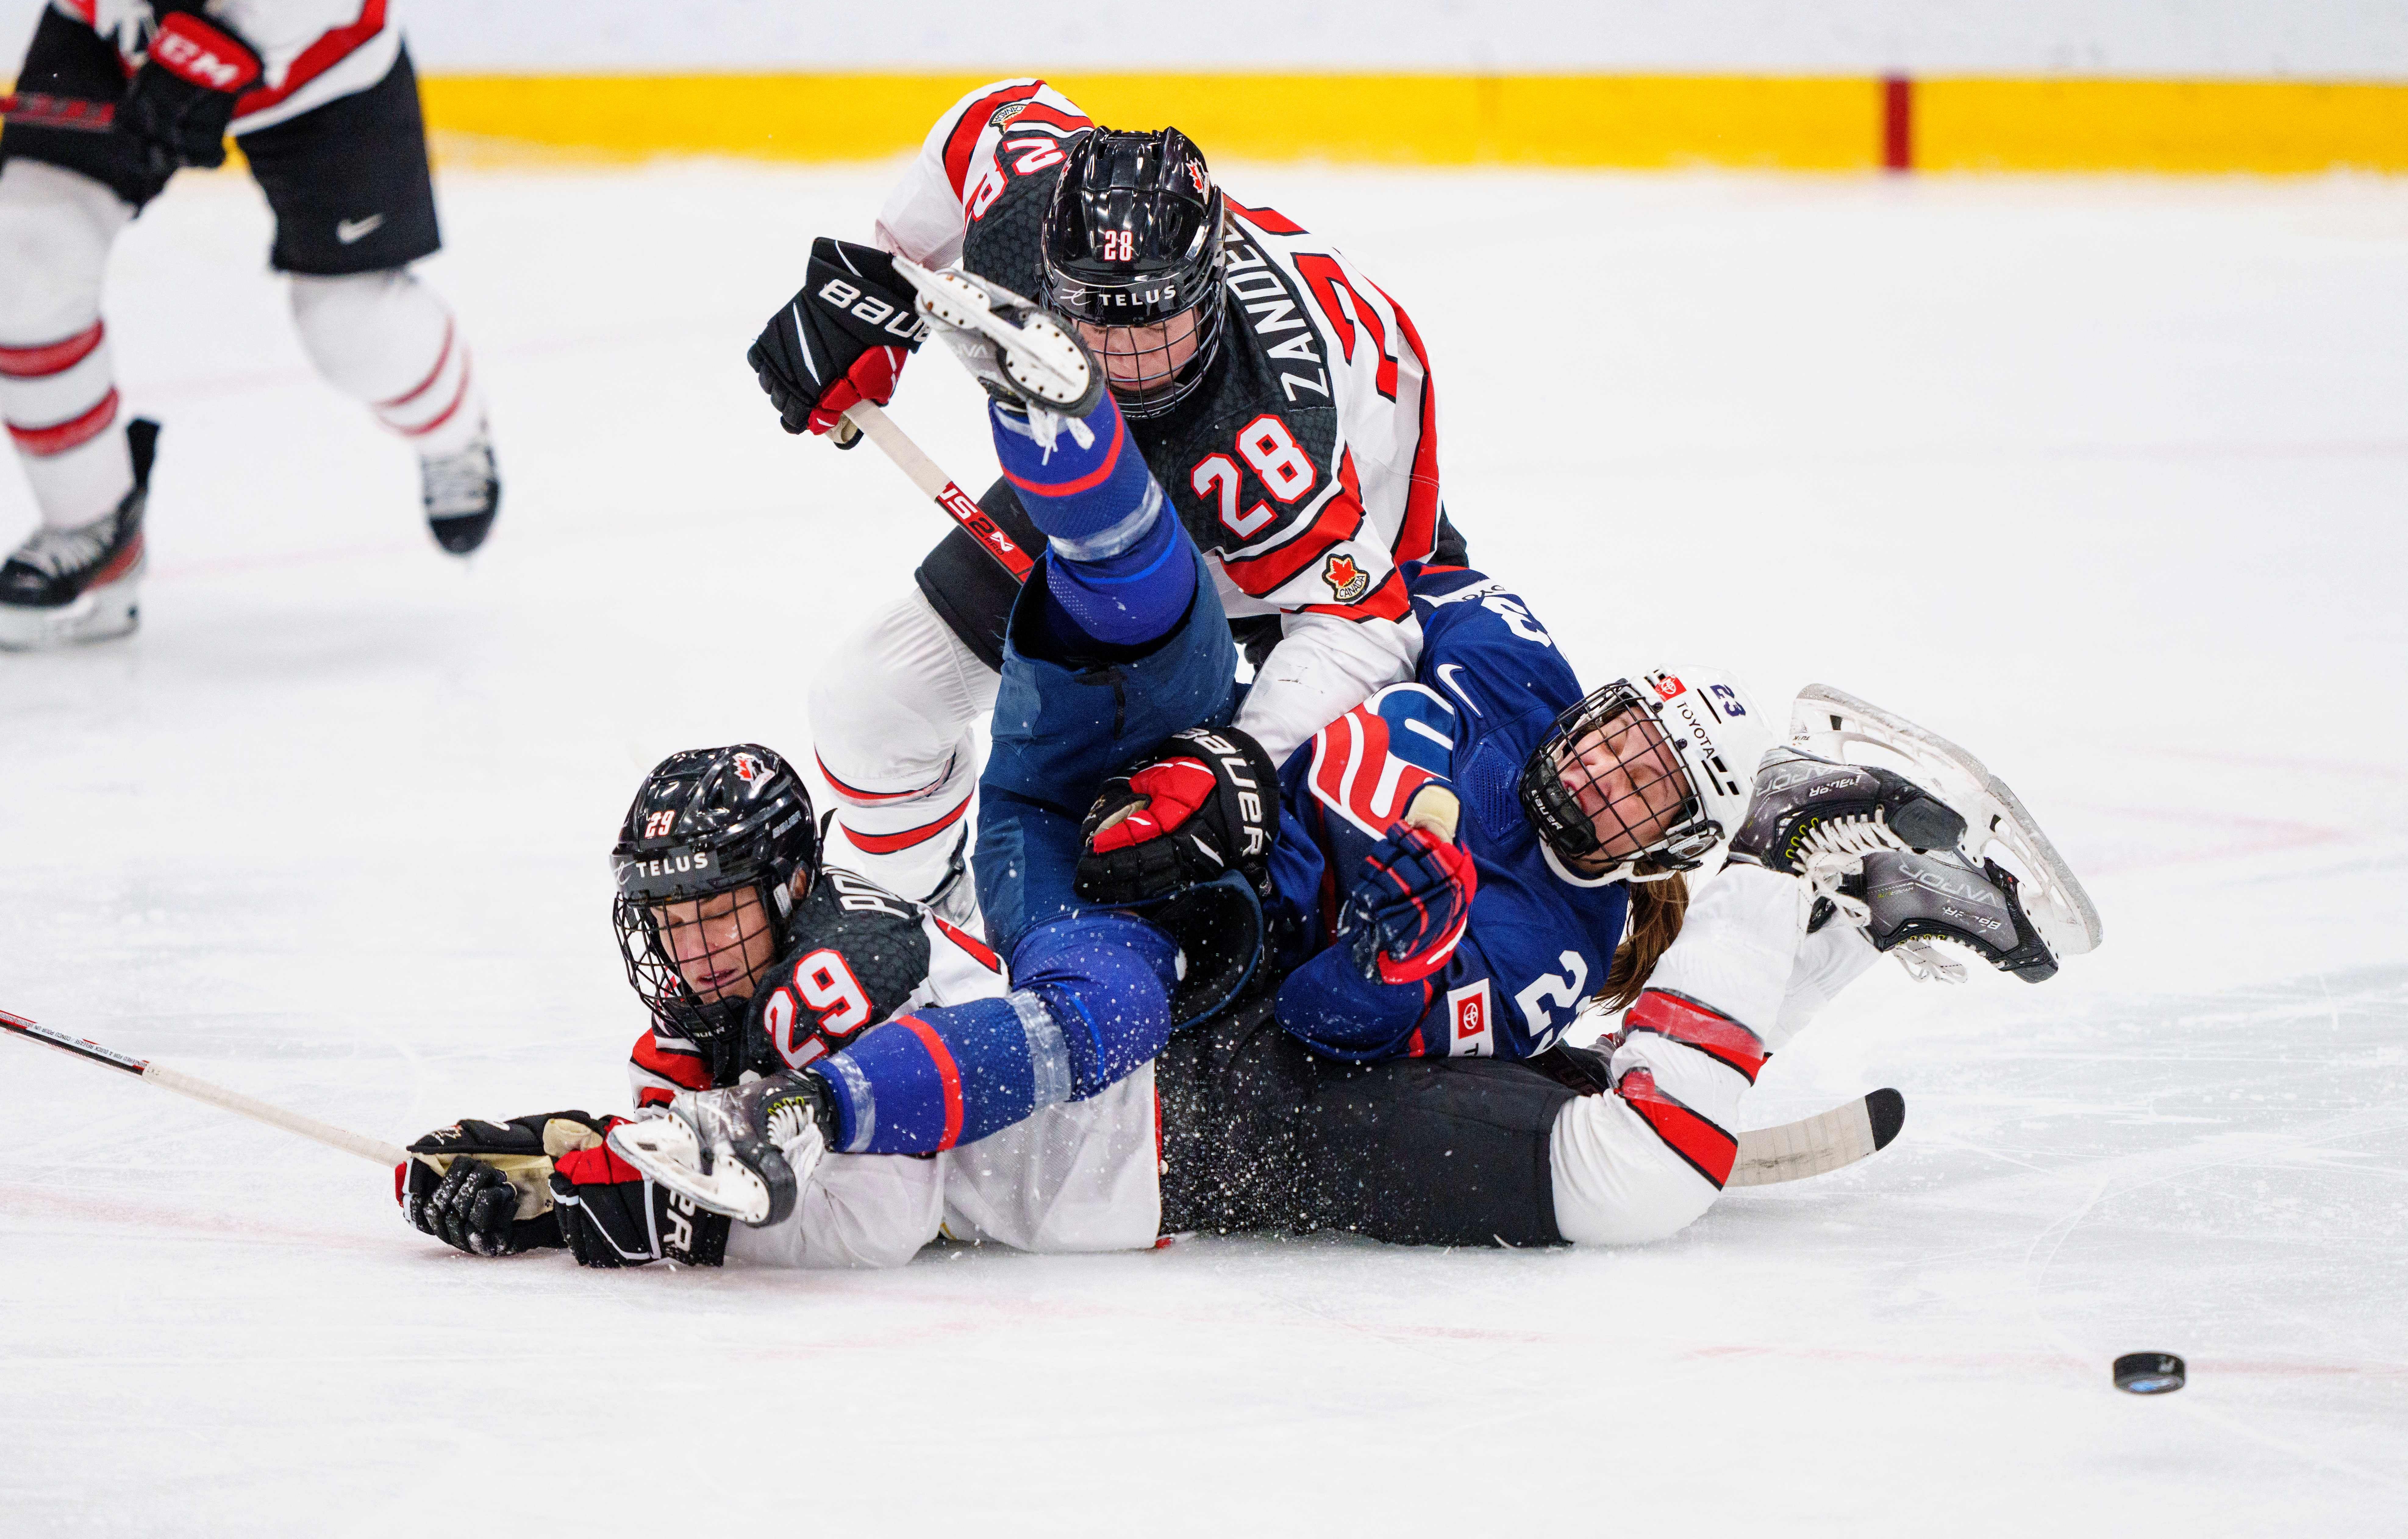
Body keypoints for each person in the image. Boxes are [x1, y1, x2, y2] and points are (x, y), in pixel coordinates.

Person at [581, 283, 2074, 1251]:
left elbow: (1333, 1026)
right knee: (973, 692)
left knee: (1612, 1173)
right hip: (1174, 818)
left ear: (1655, 853)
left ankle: (1807, 886)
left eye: (1639, 795)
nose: (1600, 773)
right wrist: (1250, 743)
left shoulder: (1552, 944)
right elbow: (1375, 575)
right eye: (1619, 737)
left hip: (1210, 990)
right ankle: (1829, 897)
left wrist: (1392, 947)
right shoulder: (1516, 661)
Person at [397, 730, 2048, 1268]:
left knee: (1631, 1181)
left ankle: (1773, 853)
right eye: (669, 921)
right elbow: (743, 1135)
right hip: (1215, 1101)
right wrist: (561, 1162)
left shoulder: (842, 972)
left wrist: (634, 1219)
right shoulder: (782, 991)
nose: (691, 951)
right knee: (1608, 1121)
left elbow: (870, 1210)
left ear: (782, 894)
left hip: (1211, 1129)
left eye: (714, 916)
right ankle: (1854, 914)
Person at [746, 80, 1459, 916]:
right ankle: (933, 934)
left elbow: (1366, 622)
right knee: (872, 704)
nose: (1121, 361)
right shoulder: (1024, 216)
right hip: (1128, 471)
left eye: (1152, 324)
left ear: (1210, 287)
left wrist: (1237, 760)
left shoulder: (1272, 443)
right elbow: (992, 115)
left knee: (1292, 847)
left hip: (1345, 522)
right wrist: (879, 287)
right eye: (1092, 319)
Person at [0, 0, 499, 650]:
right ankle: (91, 522)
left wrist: (215, 51)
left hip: (319, 58)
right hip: (118, 31)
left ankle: (453, 432)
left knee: (351, 324)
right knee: (23, 257)